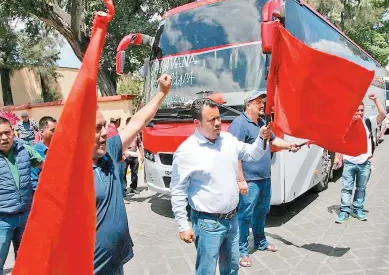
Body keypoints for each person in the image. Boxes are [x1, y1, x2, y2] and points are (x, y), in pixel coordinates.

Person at [170, 98, 272, 275]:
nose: (218, 123)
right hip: (207, 224)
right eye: (211, 120)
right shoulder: (186, 152)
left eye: (218, 118)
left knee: (232, 268)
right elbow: (178, 190)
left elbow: (252, 154)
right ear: (197, 123)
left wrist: (262, 138)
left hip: (232, 220)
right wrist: (183, 225)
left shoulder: (228, 140)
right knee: (207, 271)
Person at [92, 74, 171, 275]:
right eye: (97, 128)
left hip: (116, 260)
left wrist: (161, 93)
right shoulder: (70, 173)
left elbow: (137, 122)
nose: (104, 132)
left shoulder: (109, 150)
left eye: (104, 125)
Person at [228, 91, 300, 268]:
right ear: (248, 105)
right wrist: (240, 179)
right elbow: (233, 154)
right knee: (244, 216)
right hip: (249, 181)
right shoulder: (239, 125)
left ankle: (260, 242)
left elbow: (274, 142)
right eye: (259, 102)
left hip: (265, 178)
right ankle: (241, 250)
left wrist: (289, 146)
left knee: (262, 212)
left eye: (263, 102)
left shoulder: (261, 123)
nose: (263, 105)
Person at [334, 93, 386, 223]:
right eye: (357, 110)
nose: (360, 113)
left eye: (362, 110)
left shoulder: (368, 122)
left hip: (364, 163)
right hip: (349, 162)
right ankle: (344, 211)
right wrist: (337, 157)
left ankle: (358, 209)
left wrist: (376, 100)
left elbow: (383, 114)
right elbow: (340, 143)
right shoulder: (346, 125)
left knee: (361, 188)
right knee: (346, 188)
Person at [0, 116, 44, 273]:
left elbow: (47, 165)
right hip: (2, 221)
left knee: (27, 262)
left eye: (7, 132)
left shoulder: (25, 149)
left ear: (13, 132)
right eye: (0, 134)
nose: (4, 137)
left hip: (25, 217)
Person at [31, 116, 57, 192]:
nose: (56, 133)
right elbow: (33, 181)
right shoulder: (35, 152)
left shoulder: (60, 149)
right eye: (52, 130)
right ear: (41, 133)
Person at [123, 117, 143, 195]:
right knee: (123, 173)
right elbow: (120, 144)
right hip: (126, 156)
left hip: (134, 156)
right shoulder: (123, 133)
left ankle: (133, 188)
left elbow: (139, 144)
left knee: (135, 173)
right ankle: (123, 190)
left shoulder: (136, 133)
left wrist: (141, 154)